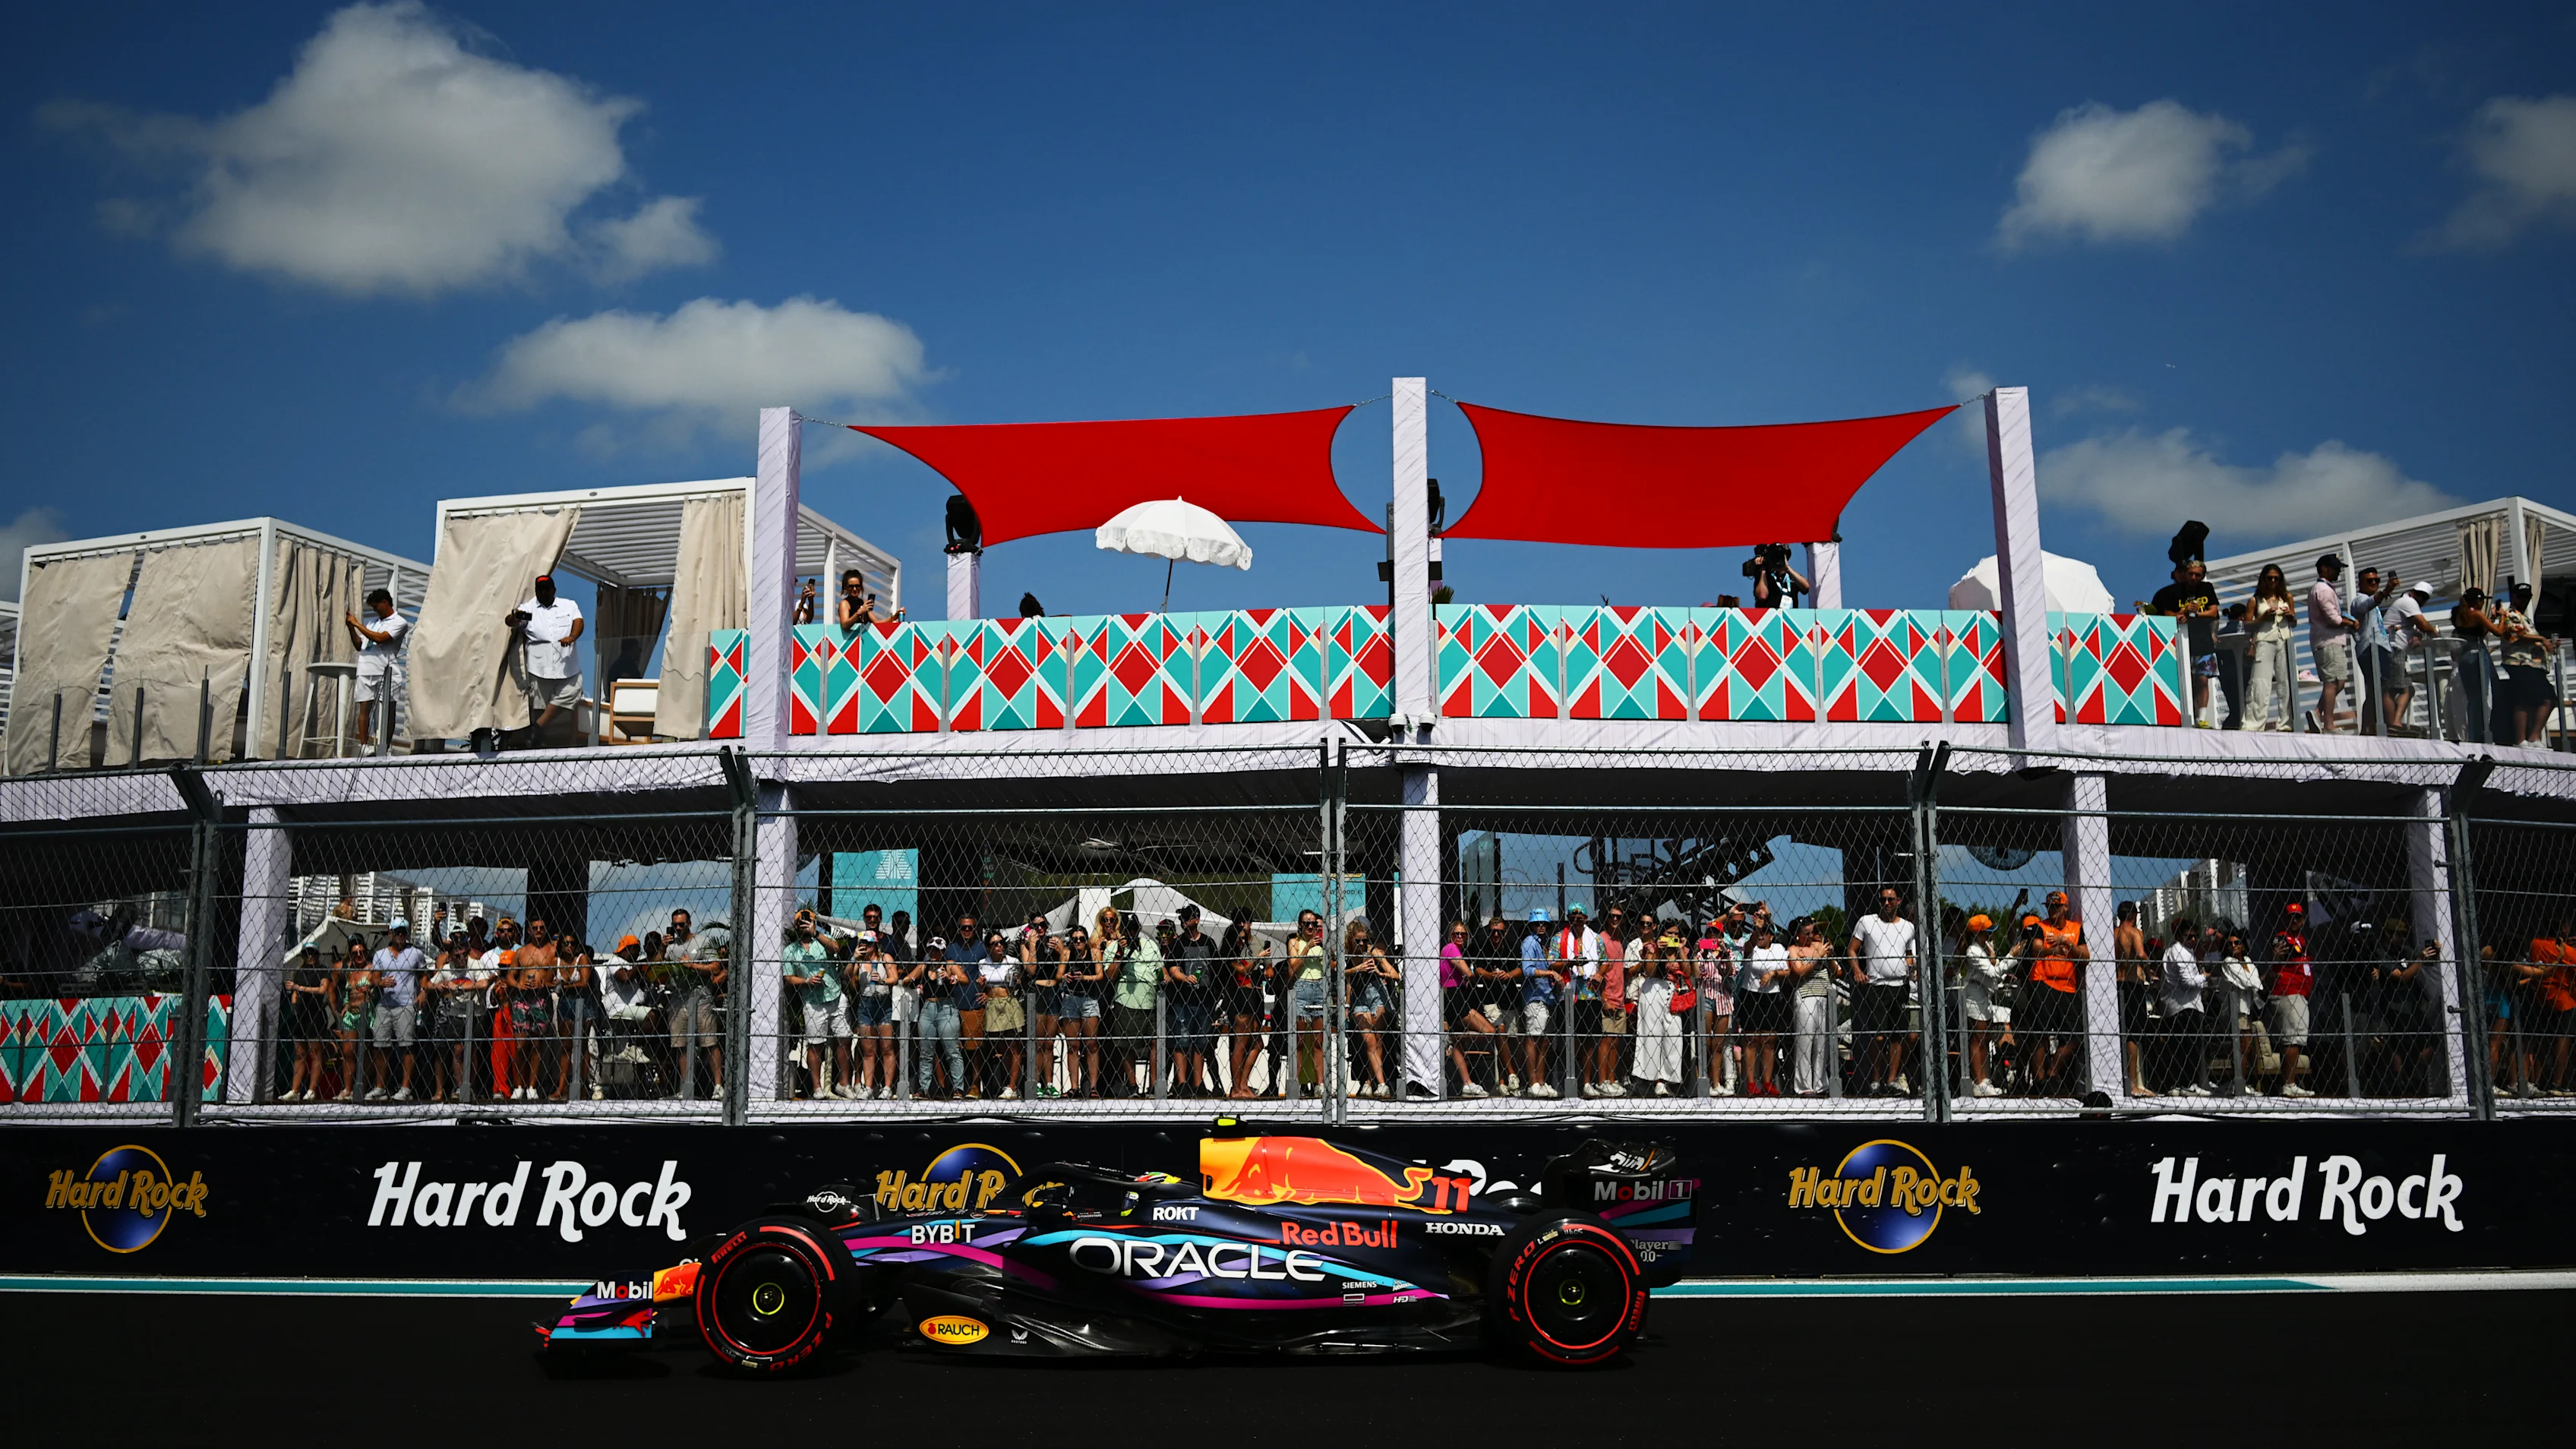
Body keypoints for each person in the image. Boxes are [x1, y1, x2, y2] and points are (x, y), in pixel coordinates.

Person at [1845, 888, 1916, 1097]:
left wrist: (1911, 968)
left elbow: (1910, 953)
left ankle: (1892, 1080)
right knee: (1878, 1036)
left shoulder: (1908, 927)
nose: (1887, 903)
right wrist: (1858, 971)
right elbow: (1852, 950)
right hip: (1877, 985)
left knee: (1898, 1036)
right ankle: (1875, 1081)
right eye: (1883, 899)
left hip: (1900, 986)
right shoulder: (1867, 922)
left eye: (1891, 900)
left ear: (1899, 901)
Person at [2016, 895, 2086, 1097]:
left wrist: (2067, 944)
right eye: (2049, 907)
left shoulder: (2076, 929)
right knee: (2040, 1033)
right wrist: (2052, 950)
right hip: (2044, 982)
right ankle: (2039, 1081)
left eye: (2056, 907)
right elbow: (2036, 948)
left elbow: (2086, 956)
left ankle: (2052, 1071)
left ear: (2066, 906)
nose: (2052, 910)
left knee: (2075, 1036)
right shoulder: (2041, 927)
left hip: (2068, 986)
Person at [507, 573, 586, 744]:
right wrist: (515, 616)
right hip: (539, 666)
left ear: (554, 590)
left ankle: (536, 730)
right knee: (537, 704)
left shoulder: (568, 605)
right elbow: (511, 621)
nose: (543, 593)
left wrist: (572, 637)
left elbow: (578, 621)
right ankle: (535, 738)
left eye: (546, 589)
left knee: (573, 691)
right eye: (540, 590)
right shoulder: (530, 610)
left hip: (567, 665)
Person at [2148, 558, 2222, 726]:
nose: (2194, 578)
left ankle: (2201, 719)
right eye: (2191, 574)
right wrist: (2184, 611)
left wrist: (2195, 615)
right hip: (2182, 643)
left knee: (2203, 680)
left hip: (2203, 641)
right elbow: (2166, 614)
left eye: (2198, 575)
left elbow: (2213, 612)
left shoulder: (2207, 588)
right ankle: (2185, 716)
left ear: (2202, 576)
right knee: (2185, 681)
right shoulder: (2172, 592)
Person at [783, 908, 848, 1100]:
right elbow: (788, 977)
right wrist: (806, 982)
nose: (805, 924)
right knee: (815, 1045)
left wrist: (815, 933)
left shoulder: (822, 939)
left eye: (809, 921)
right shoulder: (790, 950)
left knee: (844, 1039)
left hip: (835, 996)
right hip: (812, 1002)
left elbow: (836, 948)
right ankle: (817, 1088)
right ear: (796, 926)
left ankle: (843, 1084)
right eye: (801, 922)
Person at [661, 908, 724, 1099]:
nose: (678, 928)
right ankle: (685, 1087)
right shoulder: (670, 948)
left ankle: (718, 1086)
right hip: (678, 997)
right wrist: (662, 949)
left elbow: (715, 967)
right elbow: (659, 969)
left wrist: (692, 966)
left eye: (682, 924)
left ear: (689, 923)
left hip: (701, 997)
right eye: (675, 925)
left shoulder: (702, 942)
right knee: (680, 1044)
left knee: (709, 1042)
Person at [343, 588, 410, 749]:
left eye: (376, 606)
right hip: (366, 668)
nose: (375, 610)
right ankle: (365, 746)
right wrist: (351, 628)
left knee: (388, 711)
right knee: (364, 708)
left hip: (386, 670)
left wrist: (357, 624)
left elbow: (381, 639)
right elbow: (360, 645)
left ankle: (384, 747)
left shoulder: (399, 622)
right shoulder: (372, 622)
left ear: (385, 602)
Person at [367, 919, 425, 1102]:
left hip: (407, 1004)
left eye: (404, 931)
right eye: (397, 931)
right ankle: (380, 1087)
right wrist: (381, 983)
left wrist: (423, 992)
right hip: (385, 1004)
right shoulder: (380, 954)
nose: (401, 934)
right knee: (380, 1046)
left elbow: (423, 975)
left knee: (407, 1046)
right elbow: (373, 979)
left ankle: (405, 1088)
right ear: (390, 933)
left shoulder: (416, 953)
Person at [1165, 906, 1220, 1098]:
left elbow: (1217, 969)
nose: (1183, 921)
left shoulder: (1209, 943)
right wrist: (1184, 978)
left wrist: (1216, 997)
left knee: (1201, 1041)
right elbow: (1171, 966)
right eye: (1182, 918)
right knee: (1182, 1039)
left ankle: (1198, 1083)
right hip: (1183, 999)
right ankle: (1181, 1083)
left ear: (1196, 920)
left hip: (1205, 999)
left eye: (1187, 918)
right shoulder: (1178, 943)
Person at [2496, 582, 2558, 747]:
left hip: (2533, 665)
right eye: (2520, 596)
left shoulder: (2524, 617)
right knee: (2526, 700)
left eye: (2527, 597)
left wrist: (2548, 644)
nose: (2524, 600)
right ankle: (2521, 740)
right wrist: (2542, 639)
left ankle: (2533, 737)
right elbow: (2517, 634)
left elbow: (2528, 637)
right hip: (2519, 663)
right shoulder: (2510, 614)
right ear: (2514, 597)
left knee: (2545, 699)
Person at [1732, 918, 1789, 1097]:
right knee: (1751, 1040)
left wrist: (1773, 973)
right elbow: (1748, 947)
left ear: (1771, 936)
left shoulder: (1778, 949)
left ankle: (1767, 1082)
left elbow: (1787, 971)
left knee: (1769, 1040)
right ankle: (1750, 1081)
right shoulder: (1752, 947)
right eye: (1759, 932)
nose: (1761, 936)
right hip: (1751, 994)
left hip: (1771, 996)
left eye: (1765, 932)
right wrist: (1756, 929)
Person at [1440, 920, 1496, 1098]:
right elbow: (1468, 972)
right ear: (1450, 936)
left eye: (1462, 934)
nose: (1459, 937)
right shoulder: (1450, 948)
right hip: (1455, 998)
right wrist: (1470, 976)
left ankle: (1467, 1083)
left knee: (1459, 1044)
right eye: (1456, 934)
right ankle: (1449, 1039)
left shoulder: (1451, 950)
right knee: (1489, 1031)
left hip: (1452, 997)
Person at [1109, 911, 1160, 1097]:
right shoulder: (1114, 947)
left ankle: (1154, 1086)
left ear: (1138, 929)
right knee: (1127, 1045)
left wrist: (1168, 977)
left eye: (1133, 928)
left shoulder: (1150, 945)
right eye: (1127, 929)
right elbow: (1109, 976)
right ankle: (1133, 1086)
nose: (1130, 932)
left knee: (1156, 1042)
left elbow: (1159, 971)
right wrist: (1120, 954)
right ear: (1121, 930)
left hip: (1151, 1001)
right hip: (1126, 1001)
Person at [2157, 920, 2211, 1095]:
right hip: (2184, 1006)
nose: (2193, 940)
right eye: (2188, 936)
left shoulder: (2178, 952)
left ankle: (2180, 1084)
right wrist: (2205, 977)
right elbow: (2188, 982)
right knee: (2189, 1046)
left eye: (2195, 936)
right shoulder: (2180, 953)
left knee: (2179, 1047)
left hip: (2178, 1005)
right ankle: (2187, 1084)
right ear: (2179, 936)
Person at [2267, 904, 2316, 1097]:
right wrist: (2276, 955)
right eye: (2291, 917)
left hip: (2300, 992)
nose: (2294, 921)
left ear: (2303, 920)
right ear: (2286, 920)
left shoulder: (2302, 940)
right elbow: (2276, 952)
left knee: (2298, 1036)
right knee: (2292, 1037)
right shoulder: (2282, 937)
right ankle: (2289, 1083)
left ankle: (2291, 1083)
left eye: (2298, 917)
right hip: (2288, 991)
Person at [1222, 919, 1272, 1100]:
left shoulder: (1245, 950)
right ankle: (1236, 1088)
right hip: (1240, 996)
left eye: (1244, 938)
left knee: (1257, 1042)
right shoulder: (1229, 955)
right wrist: (1258, 958)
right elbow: (1242, 971)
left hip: (1252, 996)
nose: (1242, 941)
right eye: (1239, 938)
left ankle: (1243, 1083)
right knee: (1240, 1044)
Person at [918, 936, 973, 1100]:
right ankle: (924, 1089)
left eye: (939, 949)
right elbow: (908, 977)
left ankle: (958, 1088)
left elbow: (965, 979)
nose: (935, 952)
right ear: (928, 950)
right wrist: (916, 985)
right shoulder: (924, 965)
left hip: (947, 1008)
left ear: (943, 951)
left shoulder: (949, 965)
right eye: (932, 949)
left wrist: (951, 978)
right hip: (928, 1008)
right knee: (926, 1051)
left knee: (952, 1050)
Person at [1519, 908, 1564, 1098]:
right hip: (1535, 997)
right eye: (1538, 924)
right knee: (1534, 1038)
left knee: (1544, 1041)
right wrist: (1550, 973)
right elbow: (1527, 970)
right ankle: (1533, 1083)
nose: (1542, 927)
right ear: (1531, 926)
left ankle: (1541, 1081)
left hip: (1545, 998)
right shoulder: (1530, 942)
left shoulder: (1542, 944)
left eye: (1544, 924)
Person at [282, 942, 334, 1101]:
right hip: (301, 1015)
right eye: (307, 953)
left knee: (315, 1053)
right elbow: (295, 993)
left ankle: (312, 1090)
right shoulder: (299, 972)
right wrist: (294, 1003)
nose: (310, 956)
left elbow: (322, 990)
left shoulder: (323, 970)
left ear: (318, 955)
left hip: (315, 1014)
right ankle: (295, 1090)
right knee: (299, 1053)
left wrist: (300, 987)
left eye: (313, 953)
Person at [2308, 554, 2355, 733]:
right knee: (2332, 682)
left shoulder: (2324, 589)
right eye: (2335, 568)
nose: (2338, 572)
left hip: (2329, 640)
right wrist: (2351, 623)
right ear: (2324, 569)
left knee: (2339, 682)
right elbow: (2333, 619)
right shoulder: (2323, 590)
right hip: (2328, 641)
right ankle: (2328, 724)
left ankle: (2318, 713)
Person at [1059, 923, 1104, 1097]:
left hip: (1089, 999)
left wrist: (1084, 977)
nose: (1078, 942)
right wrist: (1065, 976)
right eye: (1075, 939)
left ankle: (1093, 1087)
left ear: (1086, 940)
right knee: (1073, 1045)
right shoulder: (1067, 954)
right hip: (1070, 998)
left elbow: (1100, 975)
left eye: (1081, 939)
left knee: (1091, 1044)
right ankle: (1073, 1087)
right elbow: (1059, 974)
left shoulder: (1094, 953)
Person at [978, 930, 1025, 1100]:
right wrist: (981, 987)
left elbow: (1016, 984)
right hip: (992, 1005)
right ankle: (1012, 1085)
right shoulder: (983, 963)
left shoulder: (1013, 962)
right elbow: (982, 987)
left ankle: (1012, 1087)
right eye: (994, 944)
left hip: (1009, 1002)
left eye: (1000, 943)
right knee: (1000, 1047)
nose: (999, 946)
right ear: (988, 947)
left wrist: (1018, 981)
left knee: (1013, 1046)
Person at [2114, 901, 2154, 1097]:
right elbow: (2141, 954)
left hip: (2114, 986)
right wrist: (2148, 974)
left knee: (2118, 1033)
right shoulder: (2134, 933)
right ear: (2135, 916)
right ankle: (2133, 1084)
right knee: (2133, 1035)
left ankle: (2121, 1081)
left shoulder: (2112, 934)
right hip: (2131, 985)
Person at [2451, 586, 2501, 744]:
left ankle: (2474, 735)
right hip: (2478, 655)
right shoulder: (2476, 613)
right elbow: (2499, 632)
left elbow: (2478, 632)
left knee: (2473, 699)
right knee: (2483, 697)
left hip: (2466, 658)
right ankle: (2481, 735)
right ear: (2478, 601)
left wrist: (2490, 620)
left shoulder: (2461, 614)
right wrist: (2503, 617)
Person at [333, 938, 376, 1102]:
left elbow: (377, 989)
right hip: (350, 1015)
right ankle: (348, 1088)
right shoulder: (349, 970)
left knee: (365, 1052)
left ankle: (362, 1086)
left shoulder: (371, 969)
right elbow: (345, 992)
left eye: (362, 952)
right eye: (355, 953)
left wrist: (370, 993)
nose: (359, 955)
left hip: (366, 1013)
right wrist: (344, 1005)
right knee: (348, 1052)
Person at [1741, 543, 1810, 609]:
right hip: (1771, 618)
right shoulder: (1765, 577)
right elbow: (1762, 596)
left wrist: (1787, 568)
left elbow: (1806, 587)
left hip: (1790, 618)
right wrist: (1763, 570)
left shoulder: (1792, 576)